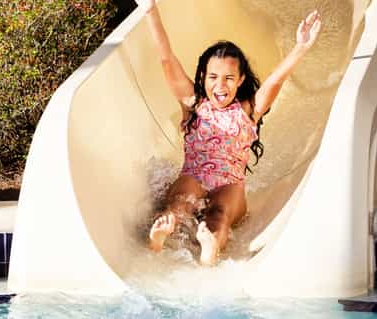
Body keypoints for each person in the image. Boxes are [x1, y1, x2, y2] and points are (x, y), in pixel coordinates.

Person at [136, 0, 321, 265]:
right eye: (213, 77)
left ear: (241, 80)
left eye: (229, 78)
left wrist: (301, 47)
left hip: (230, 184)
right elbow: (167, 59)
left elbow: (276, 80)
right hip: (194, 175)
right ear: (202, 77)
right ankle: (159, 237)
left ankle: (210, 249)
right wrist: (150, 11)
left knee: (219, 214)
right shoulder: (193, 103)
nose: (220, 85)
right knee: (180, 205)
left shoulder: (249, 110)